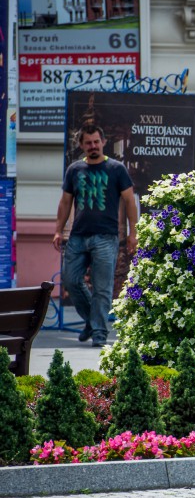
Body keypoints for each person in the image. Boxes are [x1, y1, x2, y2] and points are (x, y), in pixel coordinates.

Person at [52, 125, 138, 347]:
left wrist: (132, 233)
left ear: (103, 142)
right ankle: (92, 320)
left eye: (96, 142)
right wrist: (58, 230)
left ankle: (99, 332)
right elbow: (65, 202)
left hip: (105, 237)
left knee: (102, 287)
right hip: (78, 236)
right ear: (82, 145)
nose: (93, 146)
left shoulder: (116, 169)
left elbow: (129, 201)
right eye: (88, 143)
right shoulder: (75, 169)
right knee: (71, 279)